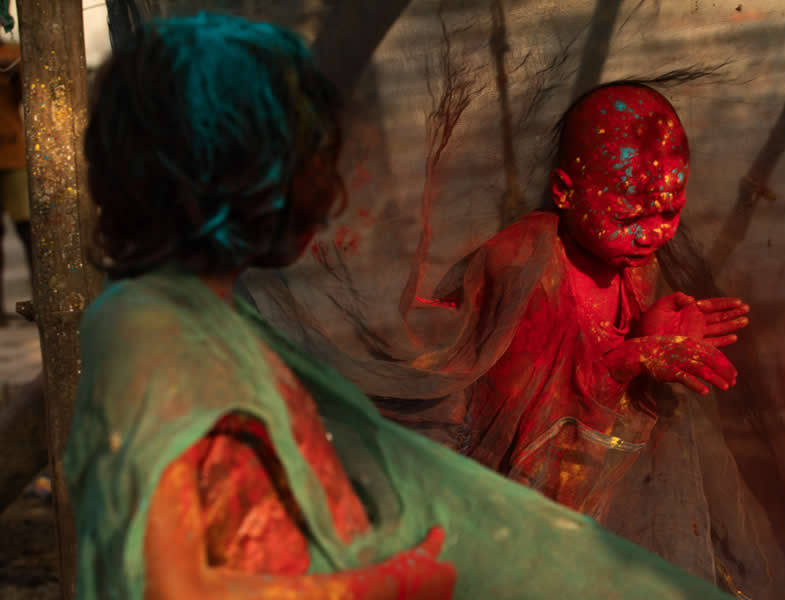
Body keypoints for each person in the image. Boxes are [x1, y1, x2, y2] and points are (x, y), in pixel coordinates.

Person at [64, 13, 734, 600]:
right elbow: (171, 587)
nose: (338, 185)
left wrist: (632, 348)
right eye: (313, 156)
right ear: (234, 172)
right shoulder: (152, 334)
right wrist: (382, 587)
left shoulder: (202, 316)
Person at [245, 81, 751, 523]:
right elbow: (518, 435)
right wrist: (626, 360)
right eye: (626, 218)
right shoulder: (527, 268)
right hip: (499, 494)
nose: (650, 235)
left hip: (575, 505)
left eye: (668, 211)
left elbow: (598, 454)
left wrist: (649, 333)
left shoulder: (637, 269)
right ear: (564, 192)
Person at [0, 38, 31, 326]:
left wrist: (13, 74)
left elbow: (29, 95)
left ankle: (44, 297)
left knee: (29, 231)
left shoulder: (12, 53)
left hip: (13, 156)